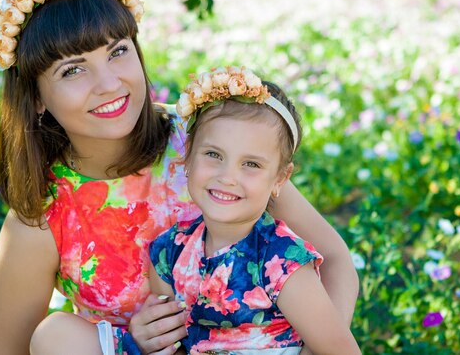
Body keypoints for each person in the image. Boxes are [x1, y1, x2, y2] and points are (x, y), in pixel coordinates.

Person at [0, 0, 359, 355]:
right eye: (73, 70)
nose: (109, 83)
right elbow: (2, 350)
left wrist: (317, 346)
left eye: (118, 51)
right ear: (36, 97)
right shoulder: (45, 215)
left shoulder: (206, 145)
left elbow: (333, 260)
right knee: (57, 337)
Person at [148, 68, 361, 354]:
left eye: (251, 164)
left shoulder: (282, 263)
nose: (228, 177)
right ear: (188, 157)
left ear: (279, 180)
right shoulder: (168, 252)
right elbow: (170, 343)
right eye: (214, 154)